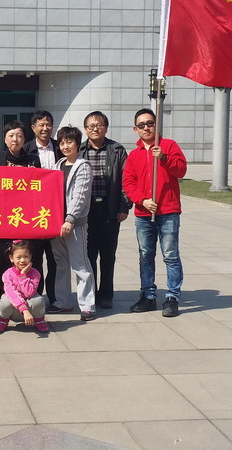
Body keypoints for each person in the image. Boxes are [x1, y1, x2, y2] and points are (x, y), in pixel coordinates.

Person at [122, 108, 188, 317]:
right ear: (135, 129)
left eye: (150, 123)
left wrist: (164, 158)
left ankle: (172, 297)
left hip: (168, 211)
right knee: (145, 255)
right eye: (141, 125)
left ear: (156, 125)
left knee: (170, 255)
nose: (146, 128)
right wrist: (142, 200)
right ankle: (148, 296)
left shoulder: (168, 146)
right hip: (144, 214)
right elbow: (128, 183)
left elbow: (181, 170)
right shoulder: (134, 155)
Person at [78, 111, 131, 310]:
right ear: (85, 129)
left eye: (99, 125)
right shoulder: (79, 150)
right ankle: (91, 294)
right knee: (89, 256)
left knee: (108, 256)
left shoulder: (117, 150)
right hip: (87, 211)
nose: (95, 129)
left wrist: (124, 206)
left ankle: (106, 295)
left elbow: (127, 179)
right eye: (91, 126)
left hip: (110, 209)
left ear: (106, 128)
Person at [49, 126, 97, 321]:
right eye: (62, 143)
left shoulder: (83, 166)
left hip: (75, 224)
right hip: (56, 223)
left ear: (78, 144)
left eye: (69, 142)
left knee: (80, 264)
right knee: (61, 263)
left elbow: (80, 195)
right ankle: (62, 302)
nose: (65, 146)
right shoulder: (58, 164)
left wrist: (70, 219)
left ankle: (87, 306)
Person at [0, 120, 42, 296]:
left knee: (30, 260)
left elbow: (40, 188)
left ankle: (32, 297)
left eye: (19, 135)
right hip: (4, 221)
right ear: (5, 139)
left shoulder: (33, 160)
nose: (15, 139)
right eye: (11, 135)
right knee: (5, 261)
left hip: (27, 219)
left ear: (24, 139)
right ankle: (6, 298)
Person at [21, 110, 61, 307]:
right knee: (35, 259)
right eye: (41, 125)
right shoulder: (25, 150)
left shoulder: (60, 147)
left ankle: (54, 298)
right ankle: (35, 297)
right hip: (33, 212)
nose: (45, 128)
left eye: (48, 124)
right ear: (33, 127)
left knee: (55, 259)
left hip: (55, 210)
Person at [0, 240, 49, 334]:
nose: (22, 260)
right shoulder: (7, 274)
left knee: (38, 300)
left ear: (31, 256)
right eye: (18, 257)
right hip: (15, 310)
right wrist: (24, 310)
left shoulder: (35, 273)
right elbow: (11, 293)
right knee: (5, 301)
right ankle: (3, 320)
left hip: (30, 312)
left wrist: (23, 275)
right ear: (11, 258)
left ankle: (39, 320)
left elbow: (29, 293)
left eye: (26, 257)